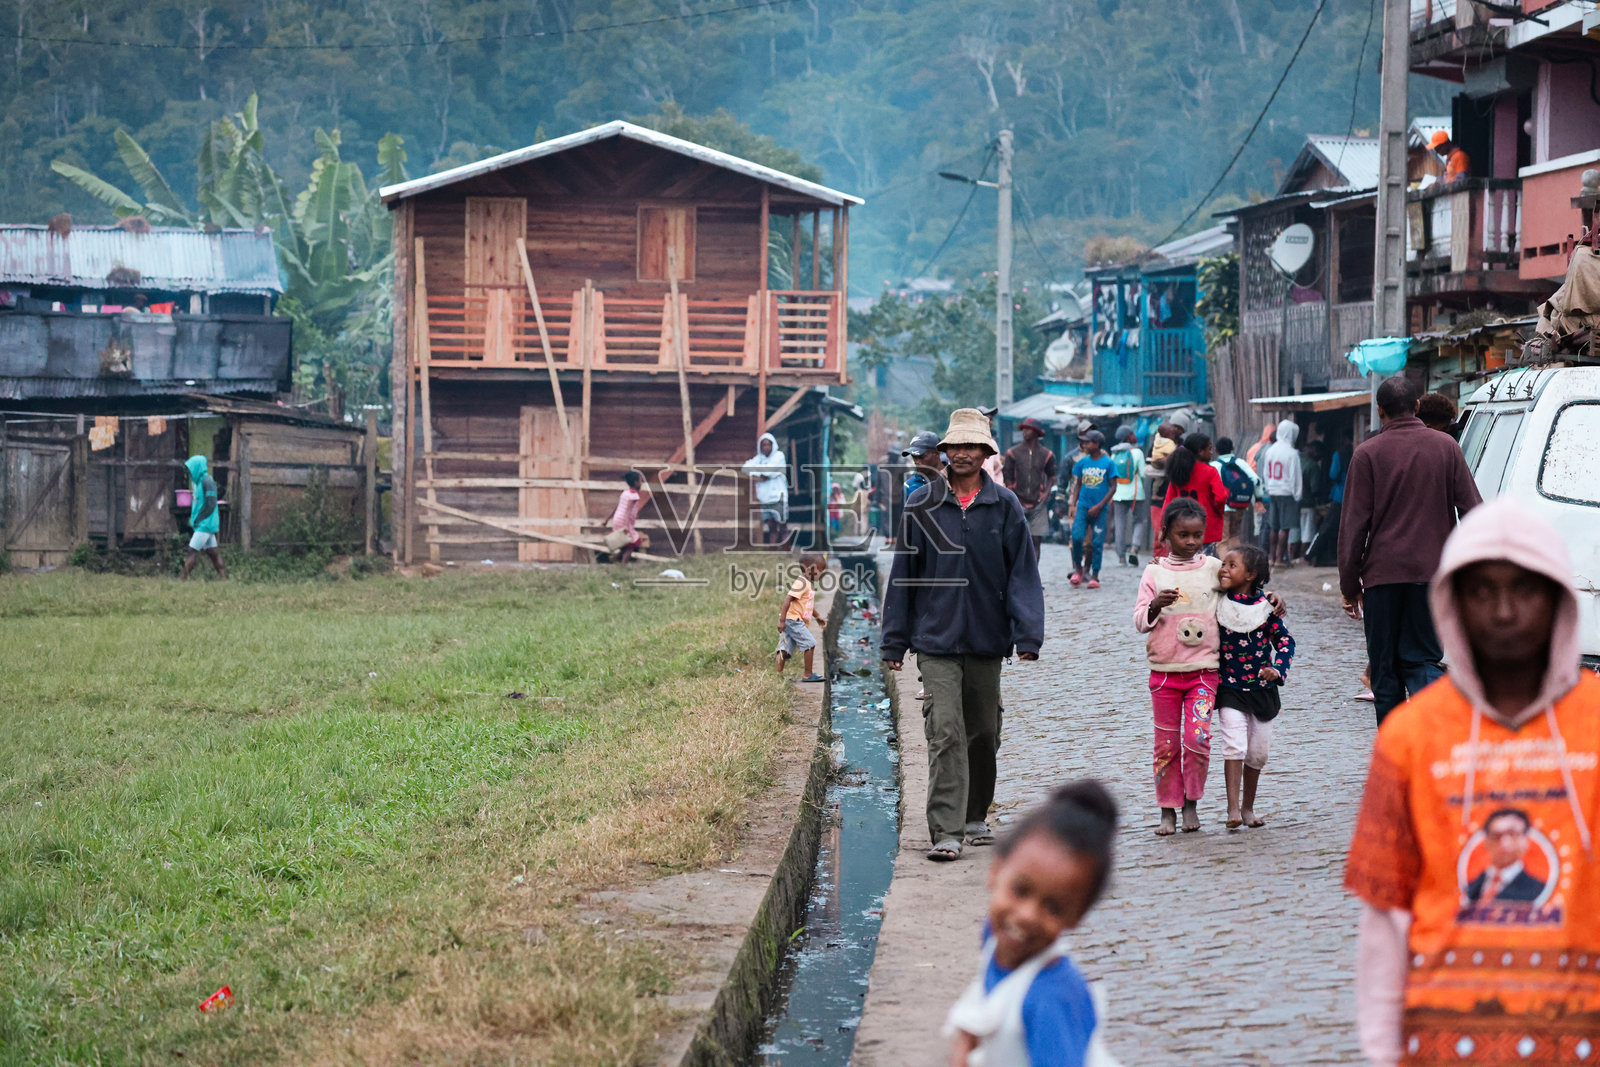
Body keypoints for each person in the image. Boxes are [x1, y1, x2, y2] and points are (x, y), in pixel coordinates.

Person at [1344, 498, 1600, 1066]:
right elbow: (1386, 916)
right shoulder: (1409, 734)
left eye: (1526, 589)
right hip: (1444, 1044)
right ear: (1451, 601)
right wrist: (1386, 1053)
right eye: (1482, 590)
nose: (1505, 611)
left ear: (1558, 596)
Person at [881, 408, 1044, 863]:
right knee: (946, 730)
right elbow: (903, 575)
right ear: (944, 452)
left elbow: (1023, 574)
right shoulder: (922, 504)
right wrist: (894, 641)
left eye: (973, 446)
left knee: (983, 732)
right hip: (934, 639)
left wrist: (1028, 633)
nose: (964, 453)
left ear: (987, 451)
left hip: (987, 638)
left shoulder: (1004, 504)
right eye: (956, 446)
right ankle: (946, 831)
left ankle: (975, 814)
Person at [943, 782, 1120, 1067]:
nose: (1027, 915)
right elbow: (986, 994)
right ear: (996, 871)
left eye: (1053, 907)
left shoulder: (1051, 1000)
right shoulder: (997, 934)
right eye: (1021, 890)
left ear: (1077, 916)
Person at [1338, 375, 1482, 724]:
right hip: (1433, 575)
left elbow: (1354, 526)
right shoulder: (1446, 447)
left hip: (1382, 578)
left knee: (1384, 669)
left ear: (1380, 410)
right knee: (1422, 661)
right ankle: (1432, 742)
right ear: (1417, 406)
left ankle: (1394, 757)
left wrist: (1349, 584)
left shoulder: (1367, 453)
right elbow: (1475, 511)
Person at [1133, 498, 1221, 836]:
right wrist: (1155, 605)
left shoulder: (1213, 568)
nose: (1191, 542)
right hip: (1164, 675)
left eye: (1197, 535)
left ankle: (1191, 804)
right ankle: (1167, 809)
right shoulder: (1155, 572)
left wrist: (1269, 600)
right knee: (1166, 746)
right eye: (1183, 535)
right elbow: (1140, 621)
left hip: (1204, 672)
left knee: (1197, 738)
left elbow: (1241, 593)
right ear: (1166, 533)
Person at [1215, 544, 1294, 830]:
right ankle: (1233, 809)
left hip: (1263, 691)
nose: (1223, 569)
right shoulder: (1218, 602)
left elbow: (1285, 641)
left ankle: (1249, 808)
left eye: (1231, 565)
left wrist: (1278, 669)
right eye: (1223, 564)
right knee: (1233, 745)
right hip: (1229, 689)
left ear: (1251, 575)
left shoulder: (1266, 609)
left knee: (1258, 752)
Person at [1065, 430, 1116, 588]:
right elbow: (1078, 485)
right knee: (1077, 537)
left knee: (1097, 542)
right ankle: (1078, 570)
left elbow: (1113, 487)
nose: (1084, 445)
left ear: (1097, 444)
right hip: (1083, 507)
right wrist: (1073, 504)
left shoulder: (1108, 463)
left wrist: (1100, 506)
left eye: (1087, 442)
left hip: (1100, 509)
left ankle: (1095, 575)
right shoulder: (1082, 462)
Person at [1162, 433, 1229, 553]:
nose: (1211, 452)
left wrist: (1165, 527)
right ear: (1200, 451)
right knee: (1206, 565)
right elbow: (1221, 497)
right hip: (1204, 527)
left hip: (1180, 528)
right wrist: (1218, 512)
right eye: (1209, 449)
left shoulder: (1178, 471)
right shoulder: (1210, 471)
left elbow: (1168, 502)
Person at [1004, 417, 1059, 559]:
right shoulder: (1013, 453)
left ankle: (1033, 575)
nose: (1024, 432)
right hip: (1018, 502)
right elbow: (1007, 477)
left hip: (1038, 503)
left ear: (1036, 433)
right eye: (1024, 429)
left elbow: (1052, 476)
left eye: (1028, 429)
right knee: (1015, 540)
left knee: (1036, 541)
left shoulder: (1047, 455)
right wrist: (1012, 495)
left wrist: (1046, 493)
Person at [775, 552, 828, 682]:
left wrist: (817, 616)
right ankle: (808, 674)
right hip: (793, 620)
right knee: (810, 644)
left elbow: (808, 605)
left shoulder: (807, 583)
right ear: (809, 569)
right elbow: (788, 600)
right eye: (820, 570)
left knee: (786, 649)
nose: (822, 573)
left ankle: (777, 674)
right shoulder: (801, 583)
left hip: (791, 620)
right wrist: (782, 621)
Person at [1260, 418, 1303, 567]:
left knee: (1274, 526)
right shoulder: (1292, 453)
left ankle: (1271, 557)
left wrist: (1269, 487)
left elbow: (1265, 473)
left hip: (1273, 491)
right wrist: (1297, 494)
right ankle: (1280, 559)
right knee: (1285, 527)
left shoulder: (1270, 450)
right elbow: (1295, 476)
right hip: (1287, 493)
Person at [179, 454, 227, 580]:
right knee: (213, 553)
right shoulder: (198, 482)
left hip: (205, 524)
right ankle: (224, 578)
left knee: (191, 550)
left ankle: (182, 579)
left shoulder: (207, 481)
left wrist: (199, 519)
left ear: (197, 468)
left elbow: (211, 504)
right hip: (204, 523)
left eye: (191, 469)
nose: (189, 473)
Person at [1213, 436, 1263, 550]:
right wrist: (1258, 499)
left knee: (1222, 540)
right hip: (1239, 504)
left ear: (1216, 450)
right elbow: (1256, 481)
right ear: (1233, 448)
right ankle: (1238, 565)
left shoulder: (1214, 466)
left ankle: (1226, 566)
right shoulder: (1241, 463)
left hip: (1221, 508)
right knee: (1234, 535)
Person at [1109, 425, 1147, 567]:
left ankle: (1121, 557)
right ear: (1128, 437)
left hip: (1118, 493)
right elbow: (1143, 473)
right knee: (1139, 520)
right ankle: (1134, 548)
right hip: (1136, 493)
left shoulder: (1114, 453)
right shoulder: (1137, 452)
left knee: (1119, 523)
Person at [744, 432, 789, 545]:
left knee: (782, 524)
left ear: (773, 445)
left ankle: (786, 550)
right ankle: (773, 549)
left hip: (778, 496)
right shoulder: (760, 458)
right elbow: (746, 468)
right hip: (765, 498)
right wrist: (760, 473)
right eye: (763, 445)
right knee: (771, 526)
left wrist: (757, 472)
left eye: (768, 444)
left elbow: (769, 471)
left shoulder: (779, 456)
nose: (766, 447)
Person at [1147, 422, 1184, 557]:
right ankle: (1159, 563)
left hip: (1176, 497)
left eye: (1178, 430)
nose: (1176, 432)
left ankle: (1173, 562)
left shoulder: (1182, 446)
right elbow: (1151, 462)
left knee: (1175, 533)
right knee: (1158, 533)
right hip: (1159, 498)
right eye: (1173, 429)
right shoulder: (1157, 443)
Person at [603, 470, 651, 563]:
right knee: (632, 544)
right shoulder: (633, 495)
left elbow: (618, 506)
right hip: (625, 522)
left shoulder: (625, 493)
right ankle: (622, 564)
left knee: (626, 544)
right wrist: (626, 526)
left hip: (618, 519)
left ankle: (615, 558)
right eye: (640, 481)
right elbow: (627, 511)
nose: (641, 483)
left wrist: (607, 519)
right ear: (636, 482)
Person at [902, 429, 943, 496]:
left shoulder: (954, 480)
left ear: (937, 453)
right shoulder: (909, 486)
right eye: (914, 457)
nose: (916, 462)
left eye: (921, 456)